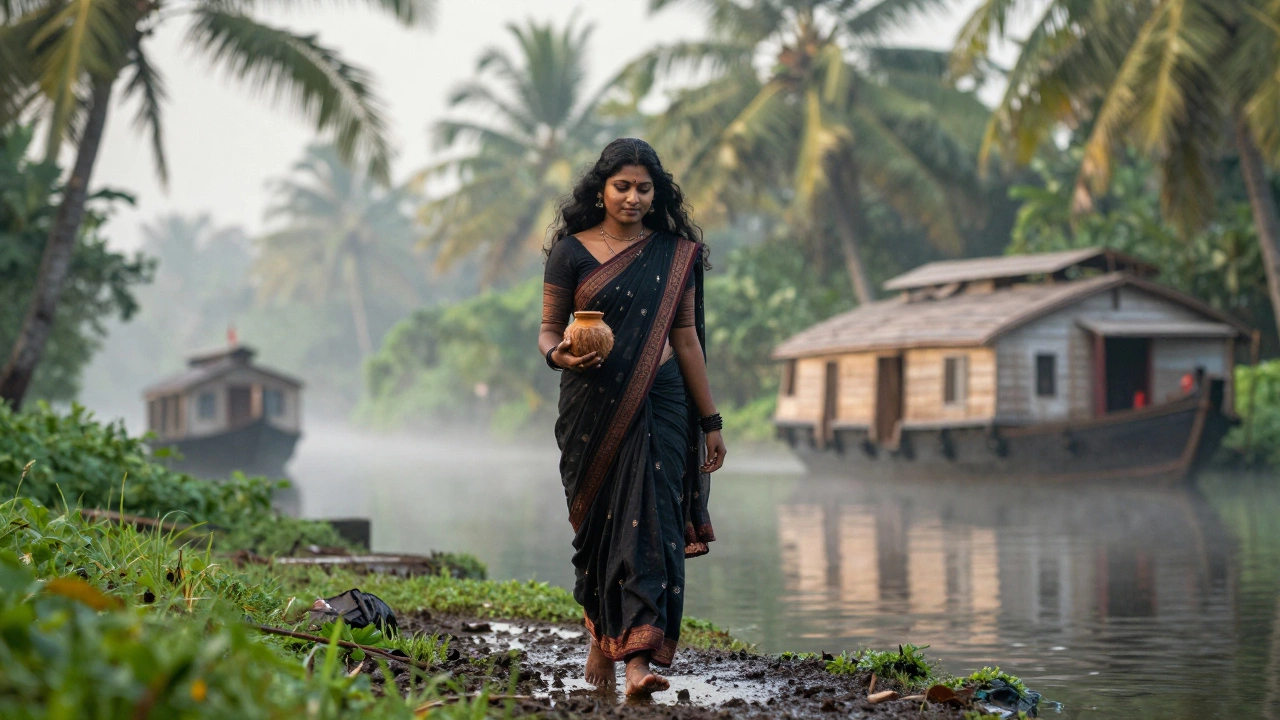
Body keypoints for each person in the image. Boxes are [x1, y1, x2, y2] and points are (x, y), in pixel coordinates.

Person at [537, 138, 727, 697]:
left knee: (655, 524)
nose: (633, 198)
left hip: (664, 399)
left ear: (656, 193)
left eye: (645, 188)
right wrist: (560, 354)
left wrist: (711, 420)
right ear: (601, 189)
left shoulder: (674, 253)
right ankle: (603, 632)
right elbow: (549, 329)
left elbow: (687, 339)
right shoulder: (570, 252)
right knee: (601, 526)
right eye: (623, 186)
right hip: (591, 406)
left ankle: (639, 661)